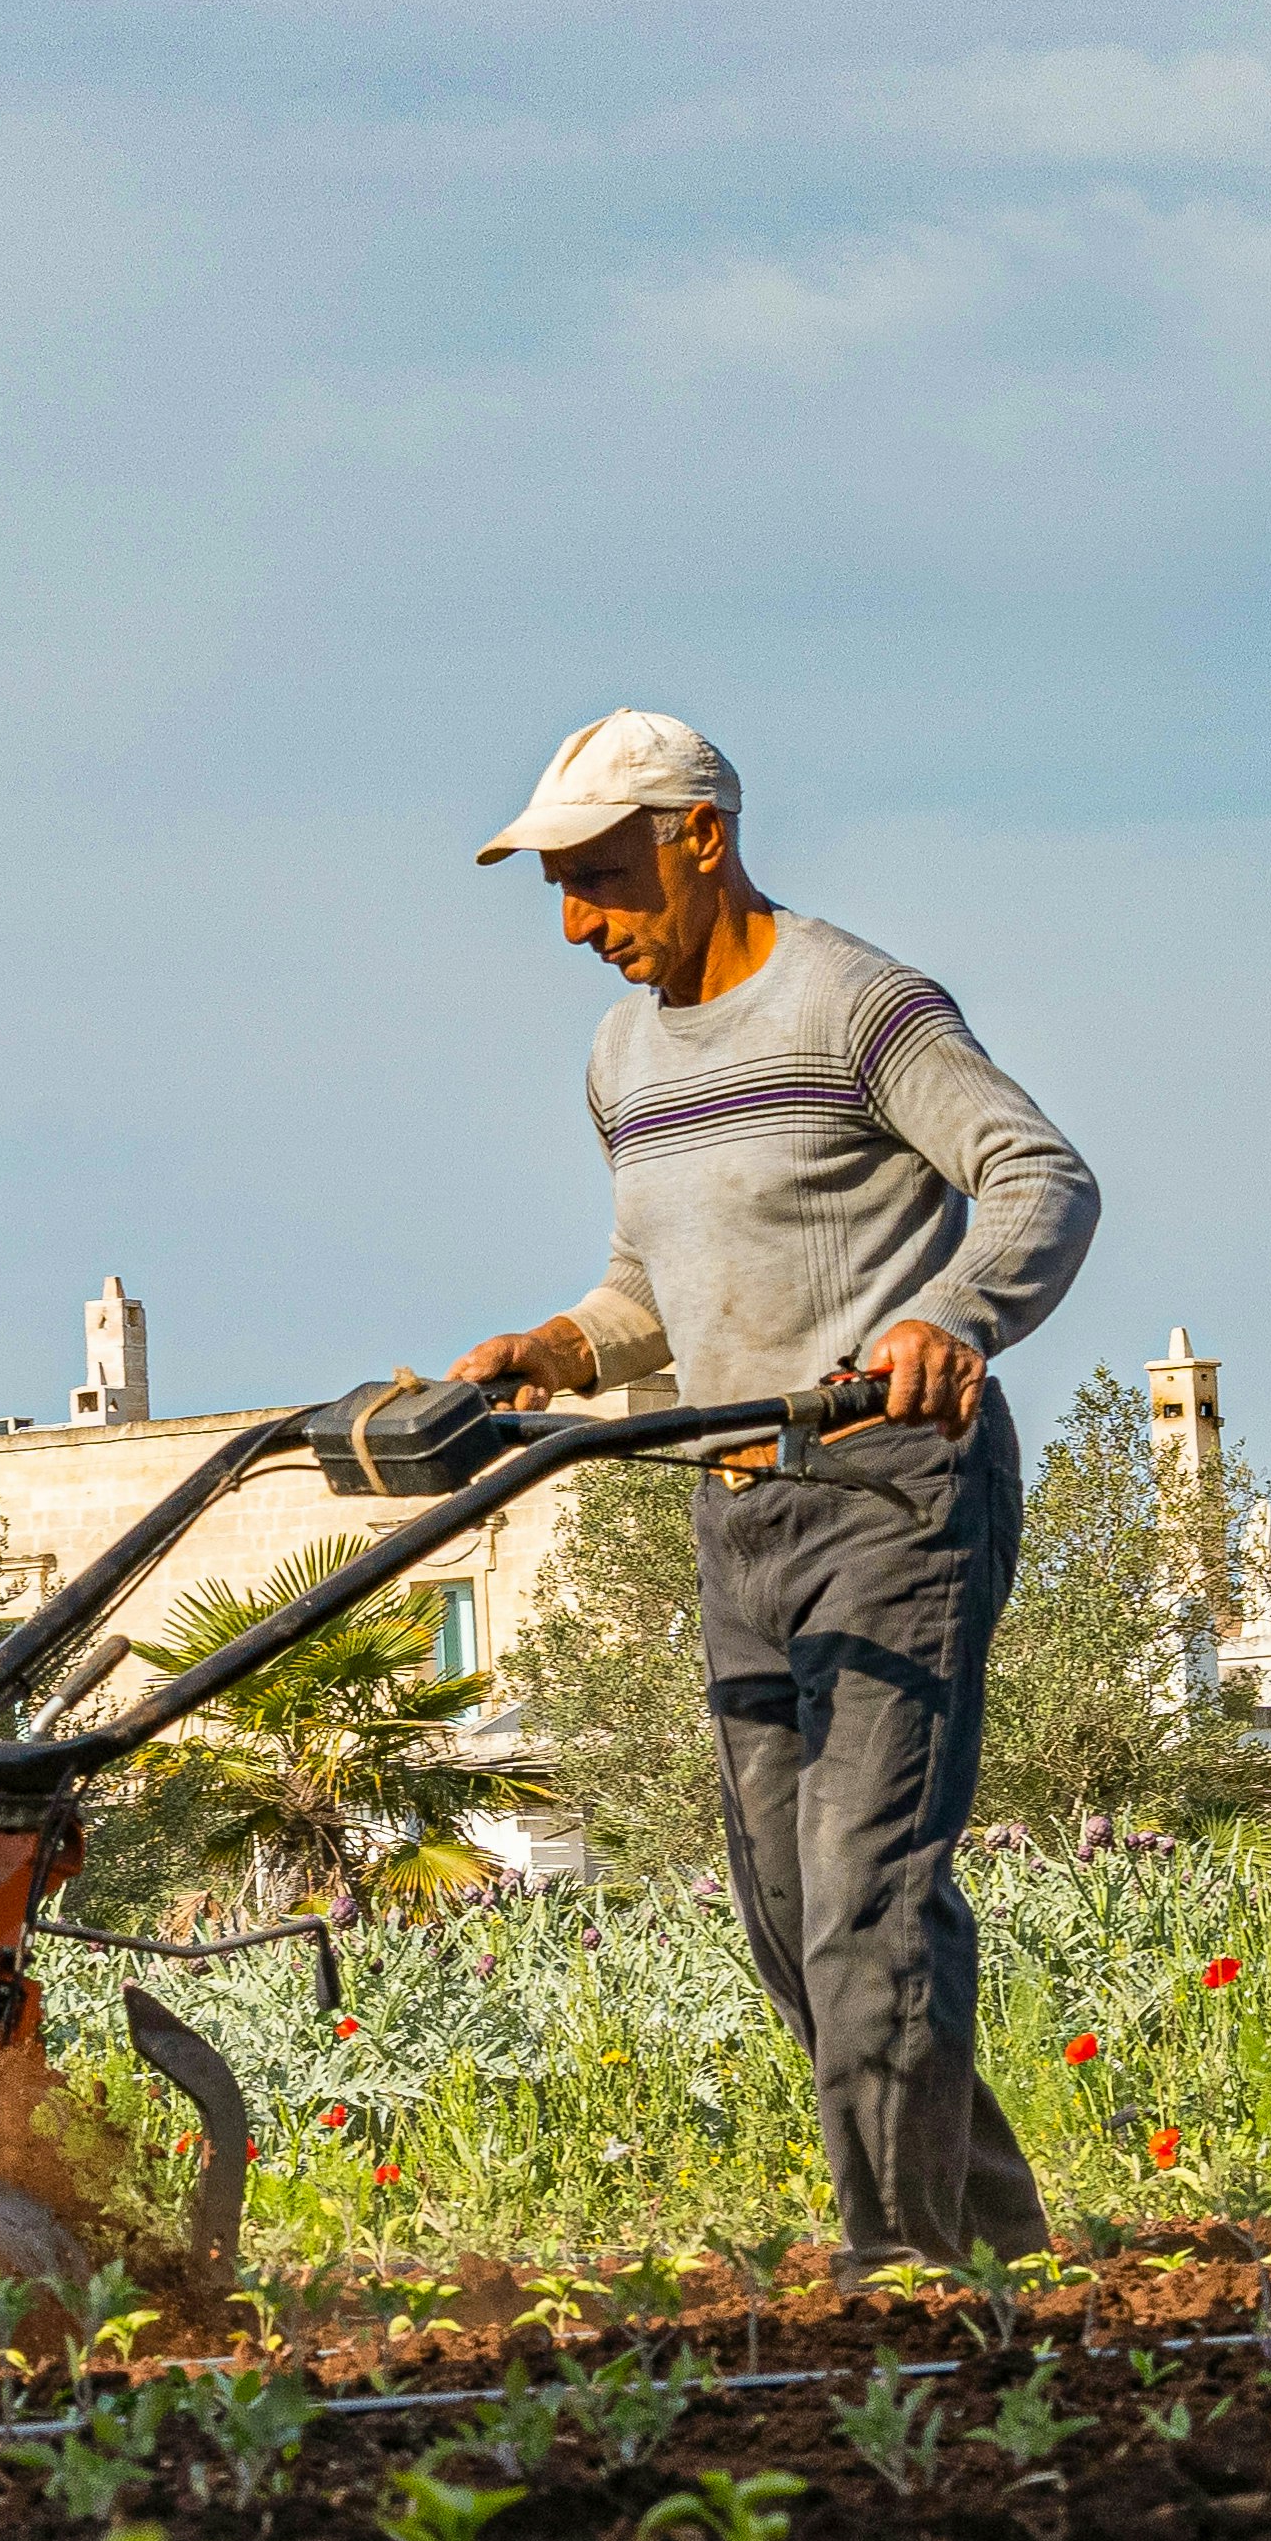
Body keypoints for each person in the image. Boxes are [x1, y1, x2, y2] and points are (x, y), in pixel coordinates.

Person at [451, 708, 1095, 2270]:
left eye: (598, 880)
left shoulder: (855, 1003)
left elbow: (1039, 1175)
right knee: (788, 1926)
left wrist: (954, 1318)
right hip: (731, 1507)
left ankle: (901, 2273)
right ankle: (999, 2248)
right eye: (555, 890)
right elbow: (652, 1287)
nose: (577, 924)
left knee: (867, 1902)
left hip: (891, 1495)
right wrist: (562, 1347)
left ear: (700, 838)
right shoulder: (621, 1064)